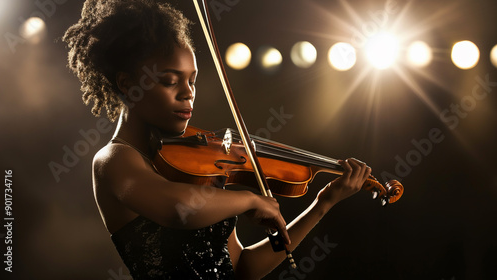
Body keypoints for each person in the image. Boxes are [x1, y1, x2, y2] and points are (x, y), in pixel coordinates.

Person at [63, 1, 371, 279]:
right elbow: (179, 211)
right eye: (170, 81)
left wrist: (322, 204)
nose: (188, 93)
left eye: (192, 80)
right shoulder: (114, 161)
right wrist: (249, 199)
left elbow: (243, 268)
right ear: (128, 84)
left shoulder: (194, 166)